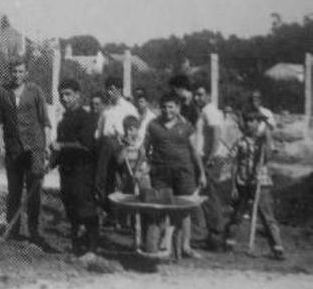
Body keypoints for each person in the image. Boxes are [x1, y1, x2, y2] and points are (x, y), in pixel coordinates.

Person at [0, 59, 52, 243]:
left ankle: (34, 231)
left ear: (26, 73)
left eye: (20, 71)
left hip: (34, 148)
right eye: (14, 71)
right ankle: (12, 230)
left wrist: (47, 145)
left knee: (33, 191)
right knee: (14, 191)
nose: (17, 75)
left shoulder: (35, 91)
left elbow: (45, 121)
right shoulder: (2, 92)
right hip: (13, 149)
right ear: (10, 72)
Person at [143, 93, 206, 258]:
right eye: (164, 106)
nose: (167, 110)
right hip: (160, 173)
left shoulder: (186, 126)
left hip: (184, 172)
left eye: (171, 106)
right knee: (159, 209)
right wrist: (142, 167)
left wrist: (202, 173)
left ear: (178, 108)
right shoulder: (153, 125)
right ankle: (157, 247)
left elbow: (194, 151)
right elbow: (145, 149)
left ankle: (185, 247)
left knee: (184, 210)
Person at [224, 110, 285, 260]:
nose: (249, 123)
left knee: (267, 216)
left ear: (258, 123)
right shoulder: (241, 141)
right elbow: (232, 163)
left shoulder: (263, 142)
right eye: (247, 120)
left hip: (260, 182)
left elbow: (269, 157)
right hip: (243, 182)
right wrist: (232, 186)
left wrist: (267, 138)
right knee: (237, 214)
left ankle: (277, 248)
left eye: (252, 121)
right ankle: (228, 243)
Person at [51, 79, 100, 255]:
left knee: (86, 209)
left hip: (83, 170)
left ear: (78, 95)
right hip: (67, 171)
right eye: (61, 95)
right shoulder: (63, 120)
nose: (64, 99)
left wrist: (62, 146)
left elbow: (86, 145)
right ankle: (75, 247)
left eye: (68, 94)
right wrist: (50, 164)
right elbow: (58, 148)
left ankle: (92, 250)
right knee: (71, 209)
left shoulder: (86, 118)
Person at [192, 83, 228, 250]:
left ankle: (217, 236)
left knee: (210, 196)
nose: (197, 98)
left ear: (209, 94)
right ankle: (213, 235)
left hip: (212, 159)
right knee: (207, 196)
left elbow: (216, 135)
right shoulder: (205, 110)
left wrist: (210, 158)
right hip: (207, 158)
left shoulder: (210, 110)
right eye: (196, 95)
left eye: (201, 94)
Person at [95, 77, 139, 209]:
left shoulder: (128, 108)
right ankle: (107, 211)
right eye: (108, 89)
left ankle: (124, 214)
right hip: (106, 146)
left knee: (124, 181)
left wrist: (127, 142)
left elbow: (135, 129)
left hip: (122, 146)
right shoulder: (106, 109)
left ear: (119, 90)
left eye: (112, 89)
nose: (109, 92)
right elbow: (99, 131)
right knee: (105, 180)